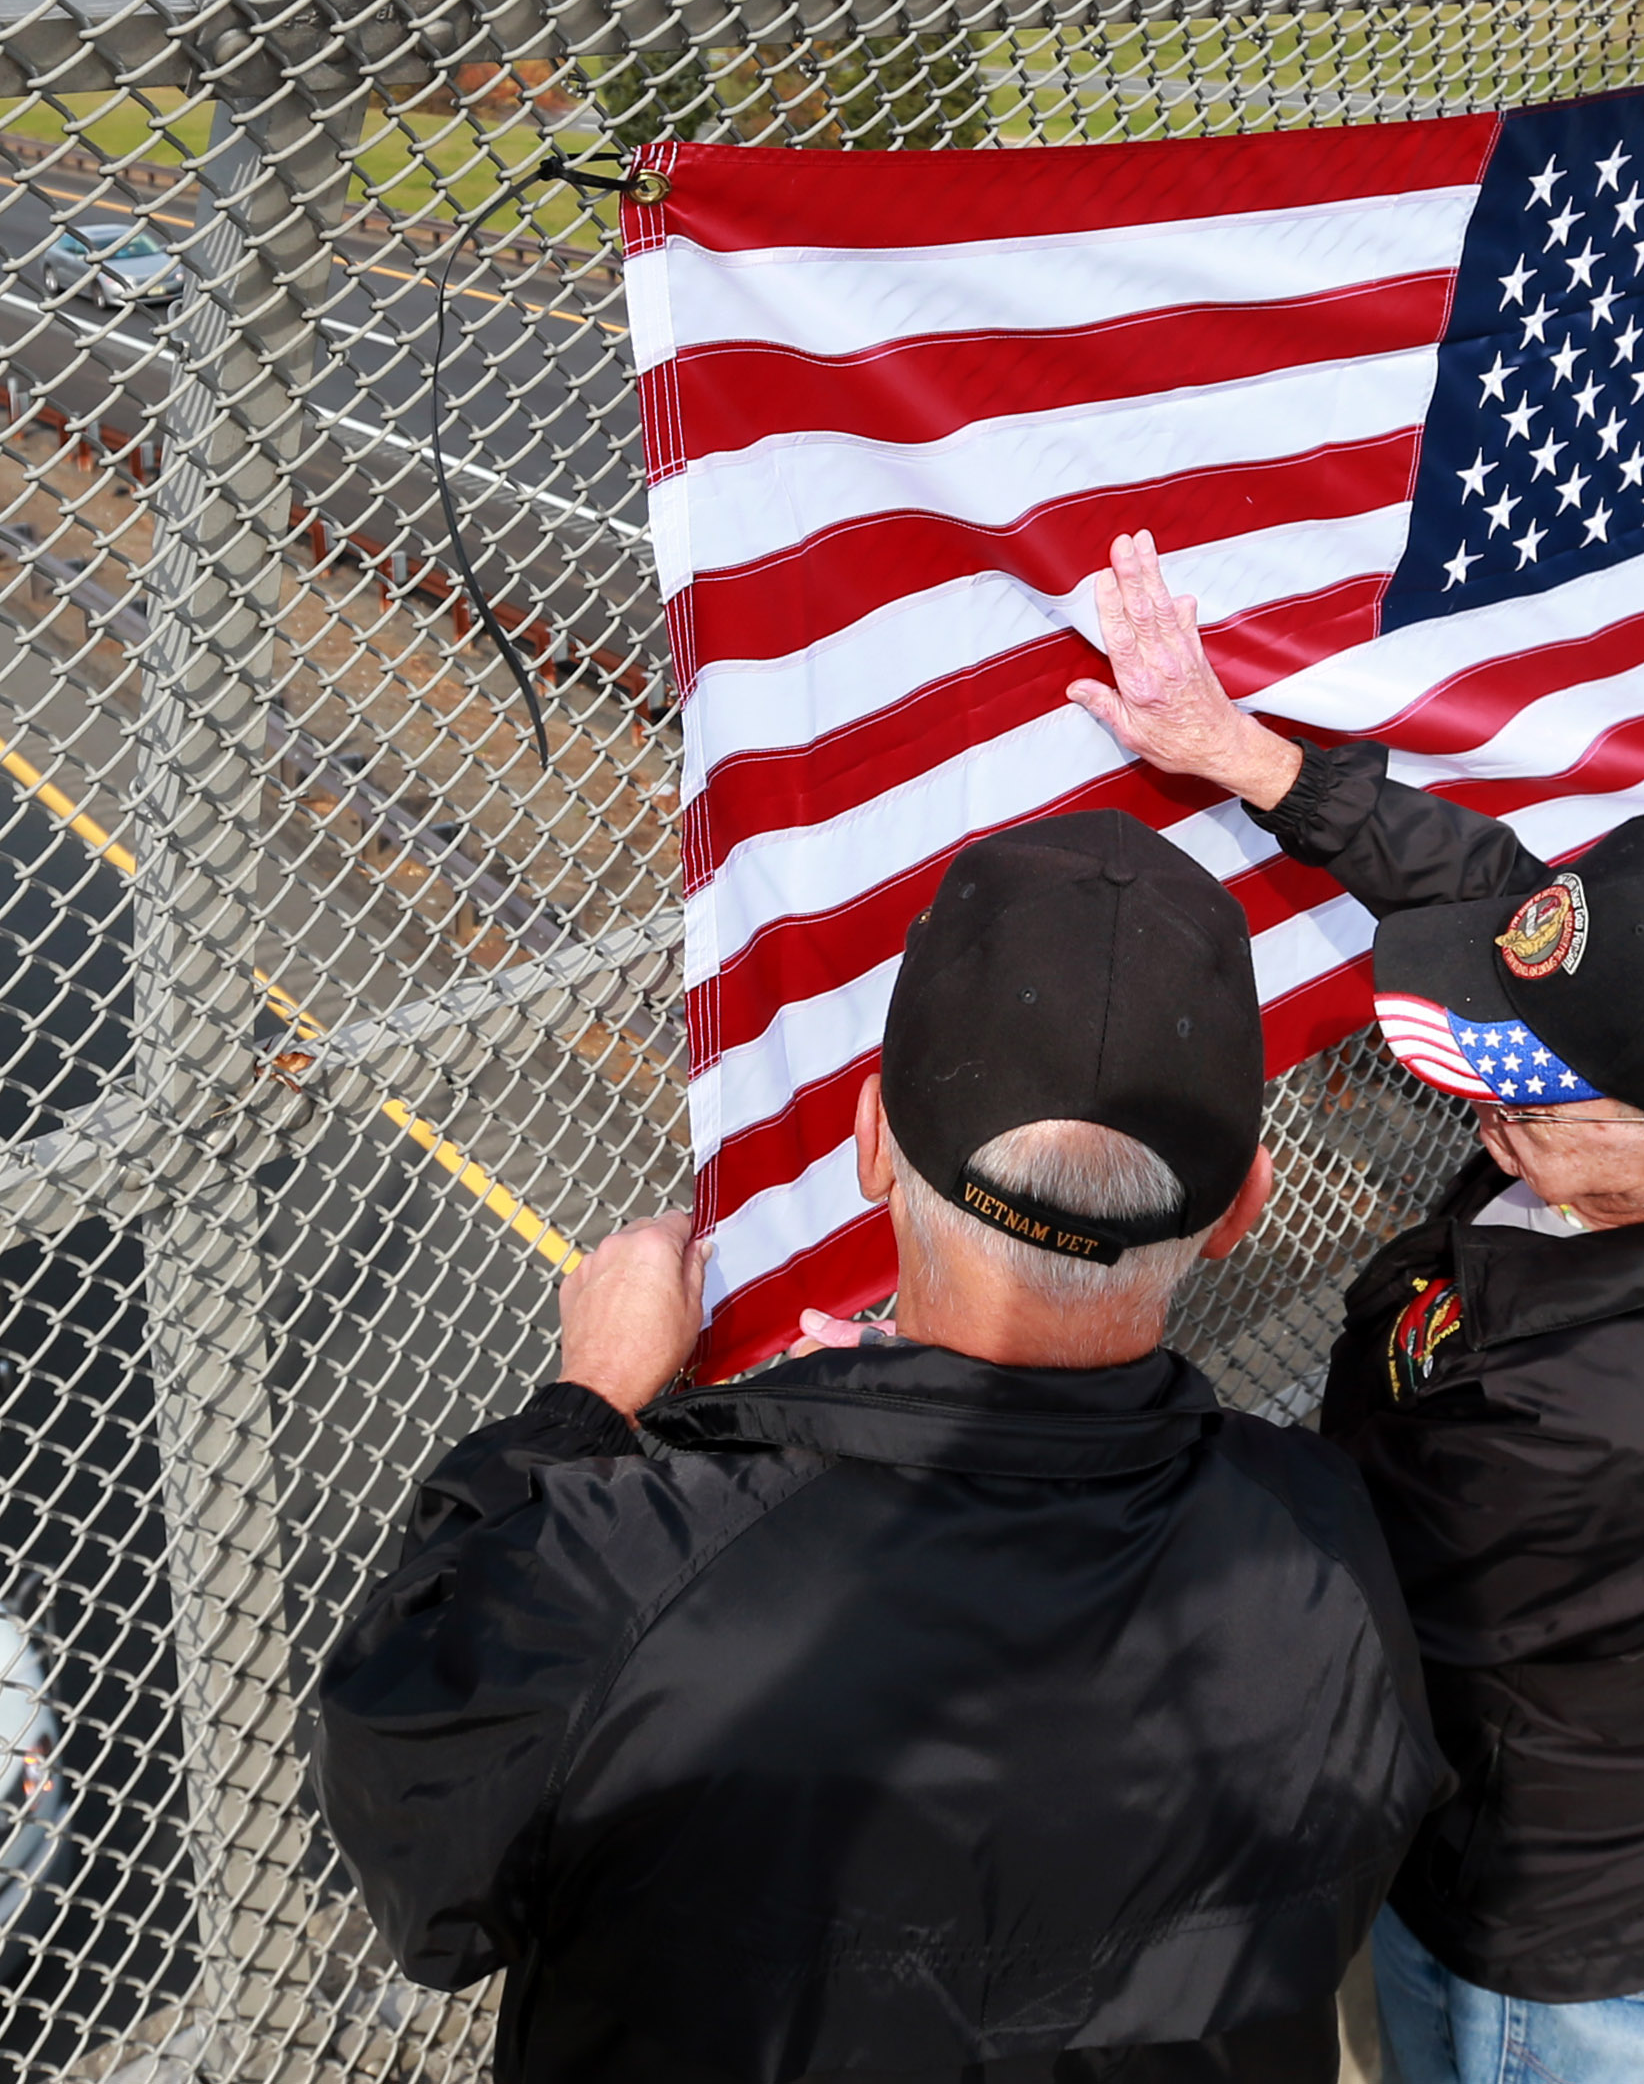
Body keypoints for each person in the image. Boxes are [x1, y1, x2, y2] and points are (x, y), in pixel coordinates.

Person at [311, 809, 1441, 2084]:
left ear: (867, 1138)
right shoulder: (1327, 1549)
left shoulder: (634, 1579)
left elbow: (420, 1845)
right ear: (1243, 1206)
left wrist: (589, 1404)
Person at [1071, 532, 1644, 2084]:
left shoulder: (1613, 1417)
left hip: (1545, 1902)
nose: (1480, 1115)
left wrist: (1059, 1418)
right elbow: (1511, 898)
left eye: (1531, 1098)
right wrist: (1246, 753)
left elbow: (1349, 1598)